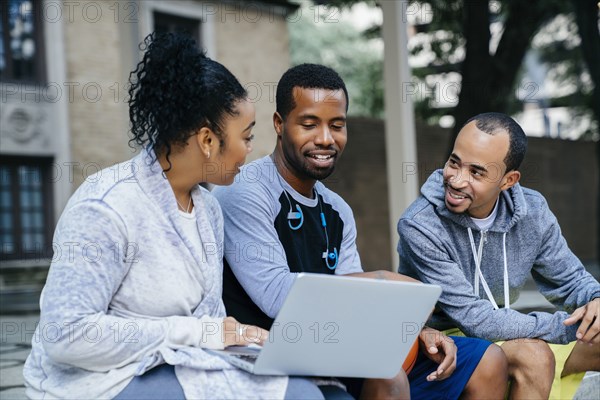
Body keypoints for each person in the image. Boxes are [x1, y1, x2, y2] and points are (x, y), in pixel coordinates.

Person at [23, 33, 327, 400]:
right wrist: (195, 333)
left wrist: (239, 335)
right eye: (246, 137)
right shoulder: (106, 207)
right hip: (97, 380)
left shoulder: (209, 210)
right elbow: (66, 335)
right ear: (207, 140)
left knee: (305, 390)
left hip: (179, 363)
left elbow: (208, 322)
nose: (250, 150)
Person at [213, 64, 508, 399]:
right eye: (309, 124)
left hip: (337, 348)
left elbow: (356, 302)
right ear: (280, 125)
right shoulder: (245, 190)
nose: (325, 139)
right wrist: (382, 279)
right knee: (389, 377)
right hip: (271, 356)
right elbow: (277, 295)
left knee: (488, 360)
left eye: (336, 125)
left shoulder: (337, 209)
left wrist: (417, 328)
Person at [397, 112, 600, 399]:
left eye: (476, 172)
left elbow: (570, 280)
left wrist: (595, 301)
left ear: (508, 181)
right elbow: (475, 320)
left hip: (507, 331)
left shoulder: (532, 211)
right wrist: (568, 327)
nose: (456, 180)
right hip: (446, 340)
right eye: (454, 163)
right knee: (534, 354)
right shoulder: (420, 225)